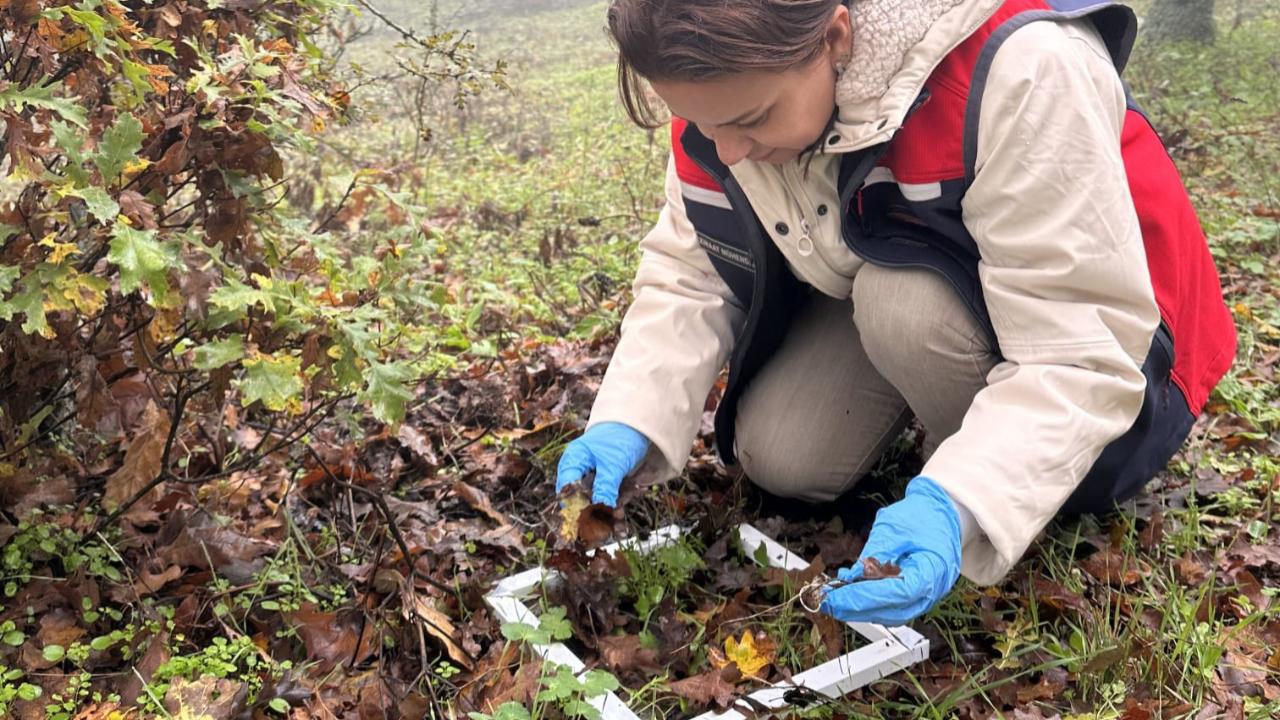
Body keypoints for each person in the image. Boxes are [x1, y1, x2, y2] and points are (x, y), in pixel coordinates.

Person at [554, 0, 1236, 627]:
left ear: (837, 37)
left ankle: (985, 469)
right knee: (784, 456)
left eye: (750, 120)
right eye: (702, 122)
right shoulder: (725, 91)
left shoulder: (1021, 68)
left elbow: (1082, 348)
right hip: (924, 293)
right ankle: (965, 441)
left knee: (901, 305)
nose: (724, 149)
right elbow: (689, 274)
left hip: (1130, 356)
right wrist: (629, 418)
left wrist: (962, 501)